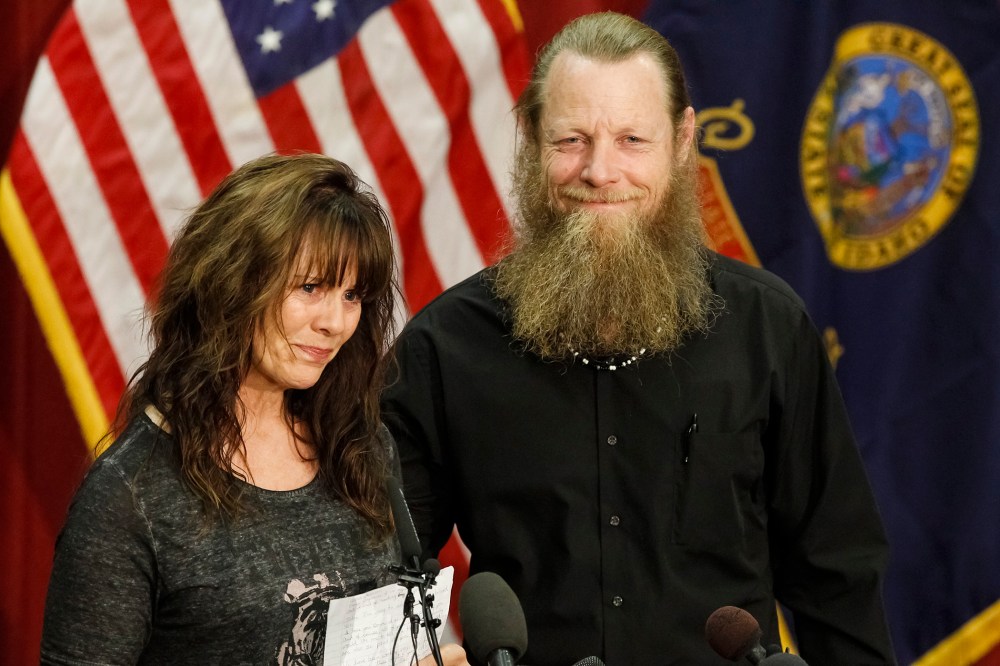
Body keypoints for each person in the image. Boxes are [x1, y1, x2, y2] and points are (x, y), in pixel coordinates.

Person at [381, 12, 895, 666]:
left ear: (681, 144)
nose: (600, 171)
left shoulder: (768, 328)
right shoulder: (444, 347)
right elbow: (388, 579)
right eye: (571, 138)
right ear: (531, 139)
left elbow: (838, 576)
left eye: (631, 139)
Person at [41, 154, 468, 666]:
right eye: (311, 288)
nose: (335, 321)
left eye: (352, 295)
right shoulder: (130, 498)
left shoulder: (362, 446)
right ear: (232, 283)